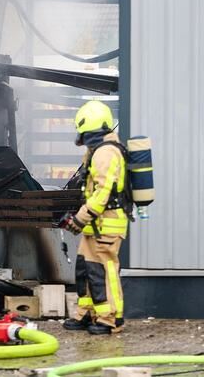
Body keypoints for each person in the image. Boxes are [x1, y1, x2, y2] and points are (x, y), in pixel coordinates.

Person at [60, 100, 127, 335]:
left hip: (106, 223)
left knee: (103, 270)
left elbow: (102, 193)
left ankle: (110, 319)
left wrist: (79, 218)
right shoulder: (97, 151)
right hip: (95, 223)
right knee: (85, 270)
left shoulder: (106, 153)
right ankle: (86, 313)